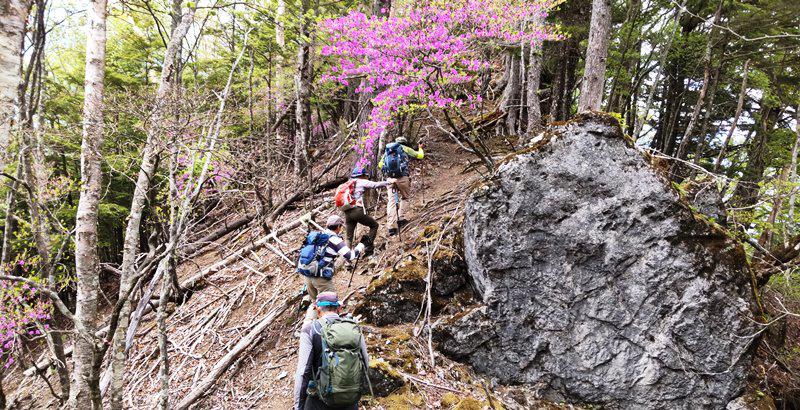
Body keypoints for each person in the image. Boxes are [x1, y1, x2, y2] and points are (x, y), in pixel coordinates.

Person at [294, 292, 370, 410]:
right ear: (339, 308)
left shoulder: (310, 330)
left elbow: (303, 372)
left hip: (318, 400)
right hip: (349, 400)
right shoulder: (353, 328)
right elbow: (365, 363)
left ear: (318, 310)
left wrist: (298, 405)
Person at [296, 215, 366, 326]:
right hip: (321, 279)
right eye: (340, 226)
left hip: (308, 276)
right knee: (330, 306)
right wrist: (361, 246)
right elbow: (350, 255)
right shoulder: (334, 239)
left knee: (315, 303)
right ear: (338, 227)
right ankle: (330, 331)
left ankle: (307, 329)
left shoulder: (319, 236)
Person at [335, 167, 396, 255]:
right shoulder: (361, 181)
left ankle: (347, 261)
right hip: (356, 211)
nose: (366, 177)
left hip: (347, 212)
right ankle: (368, 248)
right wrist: (389, 182)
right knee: (374, 225)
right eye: (365, 175)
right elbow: (375, 185)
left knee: (349, 237)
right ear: (362, 175)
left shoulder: (348, 183)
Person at [378, 136, 424, 236]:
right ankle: (401, 218)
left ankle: (391, 227)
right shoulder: (405, 148)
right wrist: (420, 148)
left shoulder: (388, 151)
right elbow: (420, 156)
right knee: (405, 197)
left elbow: (380, 165)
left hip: (390, 180)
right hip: (403, 178)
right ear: (404, 143)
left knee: (391, 202)